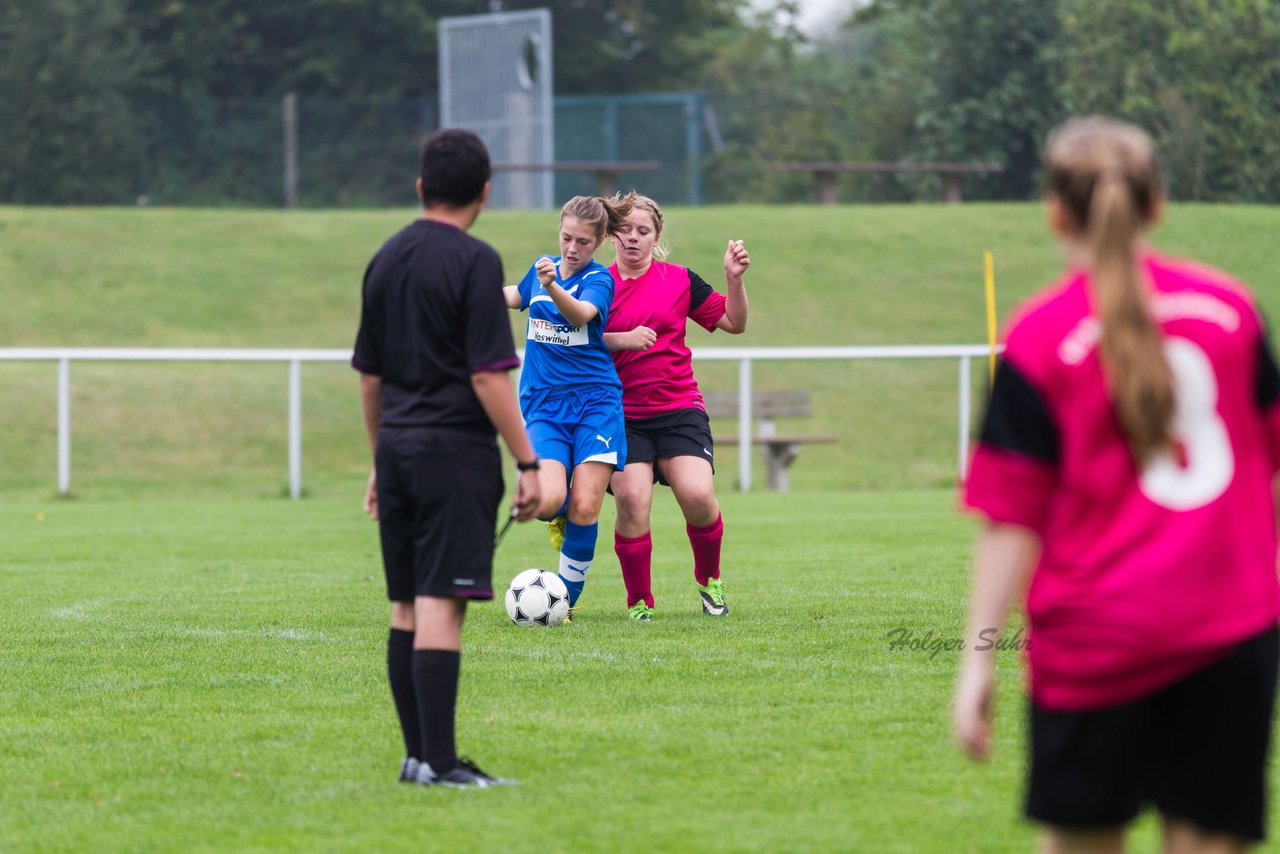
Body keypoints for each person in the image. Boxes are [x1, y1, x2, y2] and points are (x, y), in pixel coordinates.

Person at [954, 117, 1280, 852]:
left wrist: (978, 660)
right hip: (1231, 639)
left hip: (1095, 641)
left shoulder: (1040, 336)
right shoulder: (1231, 311)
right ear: (1157, 203)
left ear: (1054, 212)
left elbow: (1011, 518)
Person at [353, 129, 541, 789]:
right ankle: (440, 763)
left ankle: (416, 757)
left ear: (420, 187)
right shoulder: (476, 261)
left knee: (405, 604)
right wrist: (528, 462)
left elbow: (369, 378)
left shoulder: (384, 257)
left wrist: (380, 456)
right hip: (452, 453)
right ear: (485, 192)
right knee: (440, 603)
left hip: (398, 449)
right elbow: (491, 375)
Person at [603, 192, 750, 620]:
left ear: (656, 237)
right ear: (612, 234)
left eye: (642, 231)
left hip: (678, 409)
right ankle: (639, 603)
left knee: (699, 495)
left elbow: (734, 324)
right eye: (625, 229)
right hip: (622, 416)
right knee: (631, 498)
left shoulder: (680, 280)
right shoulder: (598, 285)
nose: (633, 238)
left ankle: (710, 581)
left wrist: (734, 279)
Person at [502, 194, 632, 619]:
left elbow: (580, 315)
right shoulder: (542, 266)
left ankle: (564, 605)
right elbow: (515, 295)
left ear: (597, 245)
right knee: (546, 501)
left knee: (587, 505)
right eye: (566, 238)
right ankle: (561, 515)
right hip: (544, 407)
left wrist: (552, 283)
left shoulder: (599, 280)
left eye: (582, 242)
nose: (571, 249)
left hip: (596, 403)